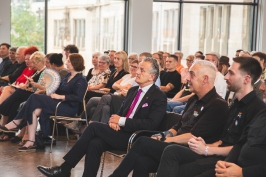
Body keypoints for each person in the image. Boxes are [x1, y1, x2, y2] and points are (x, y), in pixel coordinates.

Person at [37, 57, 167, 177]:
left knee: (93, 127)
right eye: (138, 68)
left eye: (142, 70)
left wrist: (121, 121)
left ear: (152, 76)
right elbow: (120, 112)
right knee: (95, 143)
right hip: (120, 132)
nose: (137, 72)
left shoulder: (158, 96)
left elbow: (151, 124)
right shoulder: (133, 91)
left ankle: (64, 169)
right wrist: (114, 120)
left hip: (136, 138)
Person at [107, 60, 228, 177]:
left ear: (205, 79)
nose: (187, 79)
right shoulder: (193, 99)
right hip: (177, 144)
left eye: (191, 75)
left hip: (194, 150)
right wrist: (165, 134)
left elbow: (193, 136)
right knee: (142, 161)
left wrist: (166, 140)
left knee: (142, 141)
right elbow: (178, 126)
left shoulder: (217, 105)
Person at [155, 57, 265, 177]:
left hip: (233, 161)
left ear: (246, 79)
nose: (225, 77)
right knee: (172, 158)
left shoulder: (256, 109)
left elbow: (241, 147)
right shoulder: (235, 105)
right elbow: (225, 140)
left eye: (231, 73)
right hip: (222, 155)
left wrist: (208, 150)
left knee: (176, 160)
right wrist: (205, 146)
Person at [0, 53, 87, 151]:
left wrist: (60, 96)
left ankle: (16, 122)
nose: (66, 63)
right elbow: (57, 90)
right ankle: (31, 141)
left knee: (34, 97)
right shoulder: (67, 76)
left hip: (68, 107)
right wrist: (48, 85)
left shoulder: (81, 79)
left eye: (69, 61)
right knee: (33, 111)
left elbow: (78, 98)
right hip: (59, 104)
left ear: (75, 63)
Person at [0, 51, 46, 141]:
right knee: (15, 104)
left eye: (34, 62)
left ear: (40, 61)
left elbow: (43, 88)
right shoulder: (37, 72)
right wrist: (29, 86)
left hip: (37, 95)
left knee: (18, 92)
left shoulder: (44, 72)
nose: (33, 64)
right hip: (32, 92)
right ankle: (12, 131)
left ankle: (2, 109)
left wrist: (31, 86)